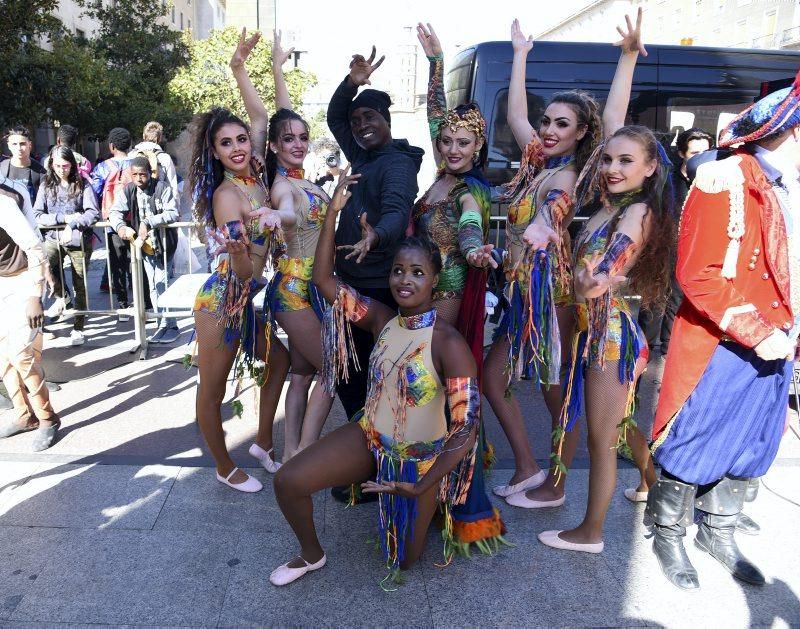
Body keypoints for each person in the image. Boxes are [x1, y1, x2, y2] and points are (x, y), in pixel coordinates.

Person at [270, 174, 481, 587]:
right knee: (288, 480)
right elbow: (323, 282)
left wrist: (424, 481)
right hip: (369, 437)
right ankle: (310, 554)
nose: (405, 279)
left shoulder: (448, 343)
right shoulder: (381, 319)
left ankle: (433, 506)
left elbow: (467, 427)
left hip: (417, 461)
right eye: (399, 271)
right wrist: (332, 213)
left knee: (403, 562)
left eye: (417, 272)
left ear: (434, 280)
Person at [646, 71, 800, 590]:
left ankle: (719, 530)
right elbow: (699, 274)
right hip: (727, 341)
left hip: (780, 339)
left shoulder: (789, 185)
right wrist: (758, 331)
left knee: (754, 444)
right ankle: (668, 532)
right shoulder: (726, 179)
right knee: (696, 439)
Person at [537, 9, 672, 553]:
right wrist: (627, 58)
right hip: (594, 333)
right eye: (609, 159)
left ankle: (590, 531)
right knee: (615, 424)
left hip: (610, 339)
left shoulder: (635, 215)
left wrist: (582, 277)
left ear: (649, 170)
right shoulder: (605, 206)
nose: (612, 167)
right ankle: (653, 481)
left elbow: (599, 280)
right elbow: (616, 119)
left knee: (599, 436)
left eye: (625, 161)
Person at [484, 19, 602, 509]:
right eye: (547, 120)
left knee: (561, 395)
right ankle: (532, 465)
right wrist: (520, 55)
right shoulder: (539, 162)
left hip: (551, 298)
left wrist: (546, 224)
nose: (549, 130)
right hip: (522, 293)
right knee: (494, 378)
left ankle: (556, 485)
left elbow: (557, 205)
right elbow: (515, 115)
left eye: (561, 125)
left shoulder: (566, 176)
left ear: (580, 135)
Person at [413, 22, 506, 553]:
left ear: (477, 148)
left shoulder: (470, 191)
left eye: (461, 142)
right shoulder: (442, 176)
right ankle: (431, 481)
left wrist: (474, 252)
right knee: (434, 397)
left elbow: (470, 229)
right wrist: (434, 63)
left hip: (445, 303)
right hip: (423, 301)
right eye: (446, 140)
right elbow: (433, 115)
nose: (450, 147)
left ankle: (460, 496)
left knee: (450, 399)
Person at [188, 98, 290, 492]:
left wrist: (241, 67)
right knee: (211, 391)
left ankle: (262, 443)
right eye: (225, 143)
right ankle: (224, 466)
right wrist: (239, 253)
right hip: (220, 304)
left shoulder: (257, 180)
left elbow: (262, 117)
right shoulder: (227, 196)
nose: (237, 148)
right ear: (214, 153)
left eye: (241, 139)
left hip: (243, 301)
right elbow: (244, 270)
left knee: (278, 361)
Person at [326, 45, 424, 424]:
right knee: (349, 377)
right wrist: (352, 83)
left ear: (386, 119)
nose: (361, 124)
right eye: (356, 121)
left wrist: (376, 237)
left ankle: (374, 454)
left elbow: (398, 211)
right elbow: (336, 115)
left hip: (378, 288)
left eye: (370, 117)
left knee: (376, 375)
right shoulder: (361, 152)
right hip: (349, 283)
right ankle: (361, 446)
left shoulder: (397, 164)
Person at [637, 127, 714, 357]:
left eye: (705, 153)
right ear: (681, 153)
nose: (700, 159)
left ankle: (670, 352)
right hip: (661, 251)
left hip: (692, 252)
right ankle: (642, 350)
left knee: (680, 301)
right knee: (654, 301)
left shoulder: (713, 183)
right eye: (694, 153)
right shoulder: (665, 182)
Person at [0, 195, 60, 451]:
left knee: (21, 354)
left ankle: (48, 418)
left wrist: (35, 296)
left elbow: (35, 247)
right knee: (3, 357)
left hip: (22, 282)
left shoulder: (3, 204)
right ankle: (25, 415)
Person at [109, 156, 180, 343]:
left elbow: (173, 212)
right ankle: (161, 323)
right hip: (145, 248)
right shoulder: (129, 190)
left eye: (143, 174)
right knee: (153, 288)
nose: (139, 178)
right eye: (135, 175)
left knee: (162, 284)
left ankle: (171, 325)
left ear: (150, 173)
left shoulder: (162, 188)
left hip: (164, 245)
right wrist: (120, 227)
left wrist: (149, 222)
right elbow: (115, 211)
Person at [34, 146, 100, 346]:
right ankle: (62, 298)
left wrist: (73, 224)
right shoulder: (46, 184)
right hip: (53, 238)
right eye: (57, 166)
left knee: (80, 283)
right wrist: (63, 218)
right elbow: (38, 214)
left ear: (72, 164)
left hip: (78, 240)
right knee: (46, 271)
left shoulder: (83, 184)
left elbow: (92, 212)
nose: (61, 169)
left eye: (65, 165)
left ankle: (78, 326)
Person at [89, 127, 134, 312]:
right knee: (136, 261)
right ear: (130, 145)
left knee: (117, 264)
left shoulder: (103, 167)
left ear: (111, 146)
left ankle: (123, 304)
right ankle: (141, 302)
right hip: (135, 220)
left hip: (112, 223)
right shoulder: (138, 164)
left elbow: (95, 191)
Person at [130, 121, 179, 200]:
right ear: (159, 138)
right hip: (158, 203)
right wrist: (176, 209)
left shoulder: (132, 155)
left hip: (136, 202)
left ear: (143, 135)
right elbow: (172, 187)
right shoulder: (165, 158)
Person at [1, 126, 46, 204]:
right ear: (9, 146)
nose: (19, 148)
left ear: (30, 145)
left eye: (22, 144)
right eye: (14, 144)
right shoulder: (1, 168)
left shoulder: (40, 172)